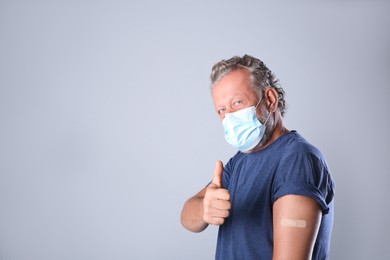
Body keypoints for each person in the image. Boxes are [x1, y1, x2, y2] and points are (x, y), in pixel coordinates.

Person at [180, 54, 335, 260]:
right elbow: (187, 217)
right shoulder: (239, 162)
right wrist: (204, 209)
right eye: (222, 110)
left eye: (237, 102)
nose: (229, 117)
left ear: (270, 99)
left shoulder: (297, 160)